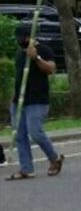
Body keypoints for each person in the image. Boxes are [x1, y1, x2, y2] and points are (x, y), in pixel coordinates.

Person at [6, 23, 64, 180]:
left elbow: (51, 69)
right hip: (19, 101)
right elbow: (18, 77)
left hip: (37, 100)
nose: (20, 41)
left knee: (35, 132)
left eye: (23, 38)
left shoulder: (43, 49)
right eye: (18, 39)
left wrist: (36, 57)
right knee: (19, 135)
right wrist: (13, 97)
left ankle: (54, 158)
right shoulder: (20, 53)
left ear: (30, 37)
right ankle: (26, 168)